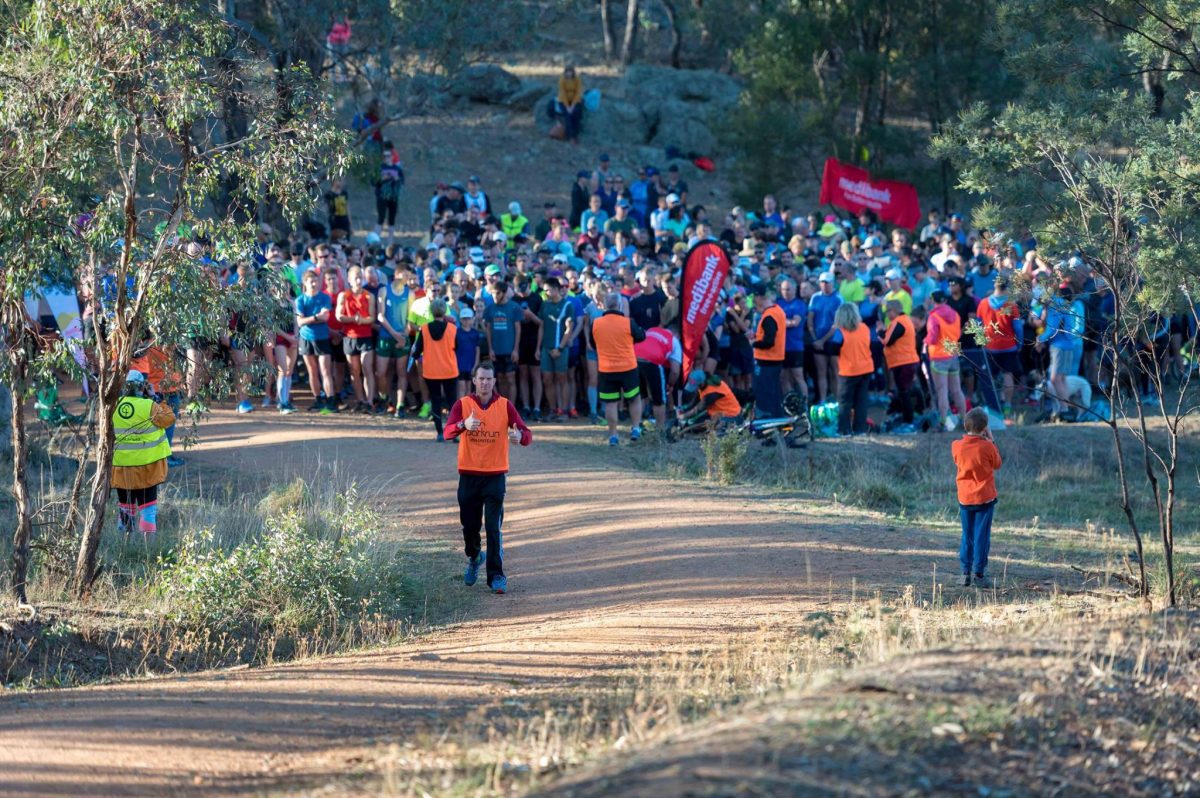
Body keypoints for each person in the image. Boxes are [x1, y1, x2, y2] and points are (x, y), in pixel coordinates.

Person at [444, 362, 533, 595]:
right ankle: (474, 557)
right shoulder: (463, 405)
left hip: (495, 476)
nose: (484, 383)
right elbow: (447, 432)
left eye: (489, 379)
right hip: (469, 476)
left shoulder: (505, 406)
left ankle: (497, 576)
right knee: (470, 527)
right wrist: (464, 424)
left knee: (494, 529)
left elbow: (527, 435)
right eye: (481, 378)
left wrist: (518, 435)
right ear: (474, 381)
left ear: (494, 382)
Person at [112, 370, 175, 537]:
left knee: (126, 508)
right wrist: (155, 396)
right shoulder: (150, 406)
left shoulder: (113, 406)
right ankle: (148, 550)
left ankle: (123, 546)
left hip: (121, 468)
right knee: (148, 510)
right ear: (143, 387)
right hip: (147, 469)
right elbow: (169, 419)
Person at [952, 407, 1002, 588]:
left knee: (967, 535)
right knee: (982, 536)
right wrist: (992, 439)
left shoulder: (956, 445)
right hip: (985, 498)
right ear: (985, 428)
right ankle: (979, 574)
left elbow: (958, 461)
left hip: (965, 498)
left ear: (966, 425)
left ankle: (965, 572)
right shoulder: (988, 446)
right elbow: (997, 464)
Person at [592, 291, 646, 445]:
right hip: (628, 368)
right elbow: (642, 336)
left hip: (606, 369)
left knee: (611, 403)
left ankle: (613, 436)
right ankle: (635, 428)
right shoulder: (628, 322)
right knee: (634, 399)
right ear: (620, 305)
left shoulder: (596, 323)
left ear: (604, 305)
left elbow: (593, 340)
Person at [410, 299, 458, 441]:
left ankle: (440, 433)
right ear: (444, 311)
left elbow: (416, 352)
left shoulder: (424, 329)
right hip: (449, 369)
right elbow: (457, 347)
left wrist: (416, 354)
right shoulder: (452, 329)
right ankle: (454, 434)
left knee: (435, 401)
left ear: (431, 311)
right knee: (452, 401)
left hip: (431, 371)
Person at [336, 265, 378, 413]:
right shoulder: (344, 295)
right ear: (349, 280)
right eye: (356, 278)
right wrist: (354, 319)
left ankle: (370, 400)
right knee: (354, 371)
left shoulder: (369, 296)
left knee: (367, 368)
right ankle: (360, 400)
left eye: (360, 277)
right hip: (350, 337)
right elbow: (338, 316)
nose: (359, 280)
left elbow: (372, 317)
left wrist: (360, 320)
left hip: (365, 336)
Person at [295, 270, 337, 414]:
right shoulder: (300, 300)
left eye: (316, 281)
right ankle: (318, 399)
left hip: (322, 337)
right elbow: (299, 322)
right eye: (311, 281)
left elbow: (325, 317)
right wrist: (316, 317)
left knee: (325, 370)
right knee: (312, 371)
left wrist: (310, 319)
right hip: (306, 338)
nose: (314, 284)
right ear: (305, 283)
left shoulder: (324, 297)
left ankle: (331, 400)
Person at [927, 290, 967, 431]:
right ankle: (964, 420)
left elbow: (932, 338)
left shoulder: (934, 316)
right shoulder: (955, 314)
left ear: (933, 301)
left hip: (938, 357)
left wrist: (924, 340)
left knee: (942, 391)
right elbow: (958, 333)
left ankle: (943, 422)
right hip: (953, 354)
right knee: (956, 390)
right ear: (945, 300)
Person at [881, 300, 920, 433]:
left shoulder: (900, 322)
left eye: (888, 311)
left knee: (905, 393)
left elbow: (887, 341)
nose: (887, 314)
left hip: (904, 362)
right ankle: (906, 417)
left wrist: (880, 331)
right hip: (902, 362)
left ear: (894, 310)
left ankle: (909, 422)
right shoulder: (903, 320)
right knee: (904, 392)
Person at [834, 303, 872, 436]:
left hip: (848, 371)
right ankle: (860, 429)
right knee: (861, 401)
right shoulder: (864, 328)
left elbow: (833, 348)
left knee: (845, 402)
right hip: (866, 368)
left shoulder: (840, 331)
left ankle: (844, 430)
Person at [750, 284, 786, 418]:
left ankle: (767, 422)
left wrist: (754, 343)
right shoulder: (777, 310)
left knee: (765, 394)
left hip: (766, 361)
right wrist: (756, 337)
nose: (753, 300)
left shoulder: (768, 316)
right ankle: (777, 420)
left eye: (755, 297)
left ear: (760, 298)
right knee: (774, 394)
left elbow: (769, 342)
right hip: (775, 359)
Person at [553, 65, 584, 143]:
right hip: (563, 101)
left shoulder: (577, 79)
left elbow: (578, 92)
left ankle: (576, 133)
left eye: (570, 72)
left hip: (575, 100)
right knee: (567, 114)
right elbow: (562, 93)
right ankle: (571, 136)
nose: (569, 74)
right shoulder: (562, 80)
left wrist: (573, 105)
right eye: (567, 72)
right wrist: (567, 106)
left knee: (576, 112)